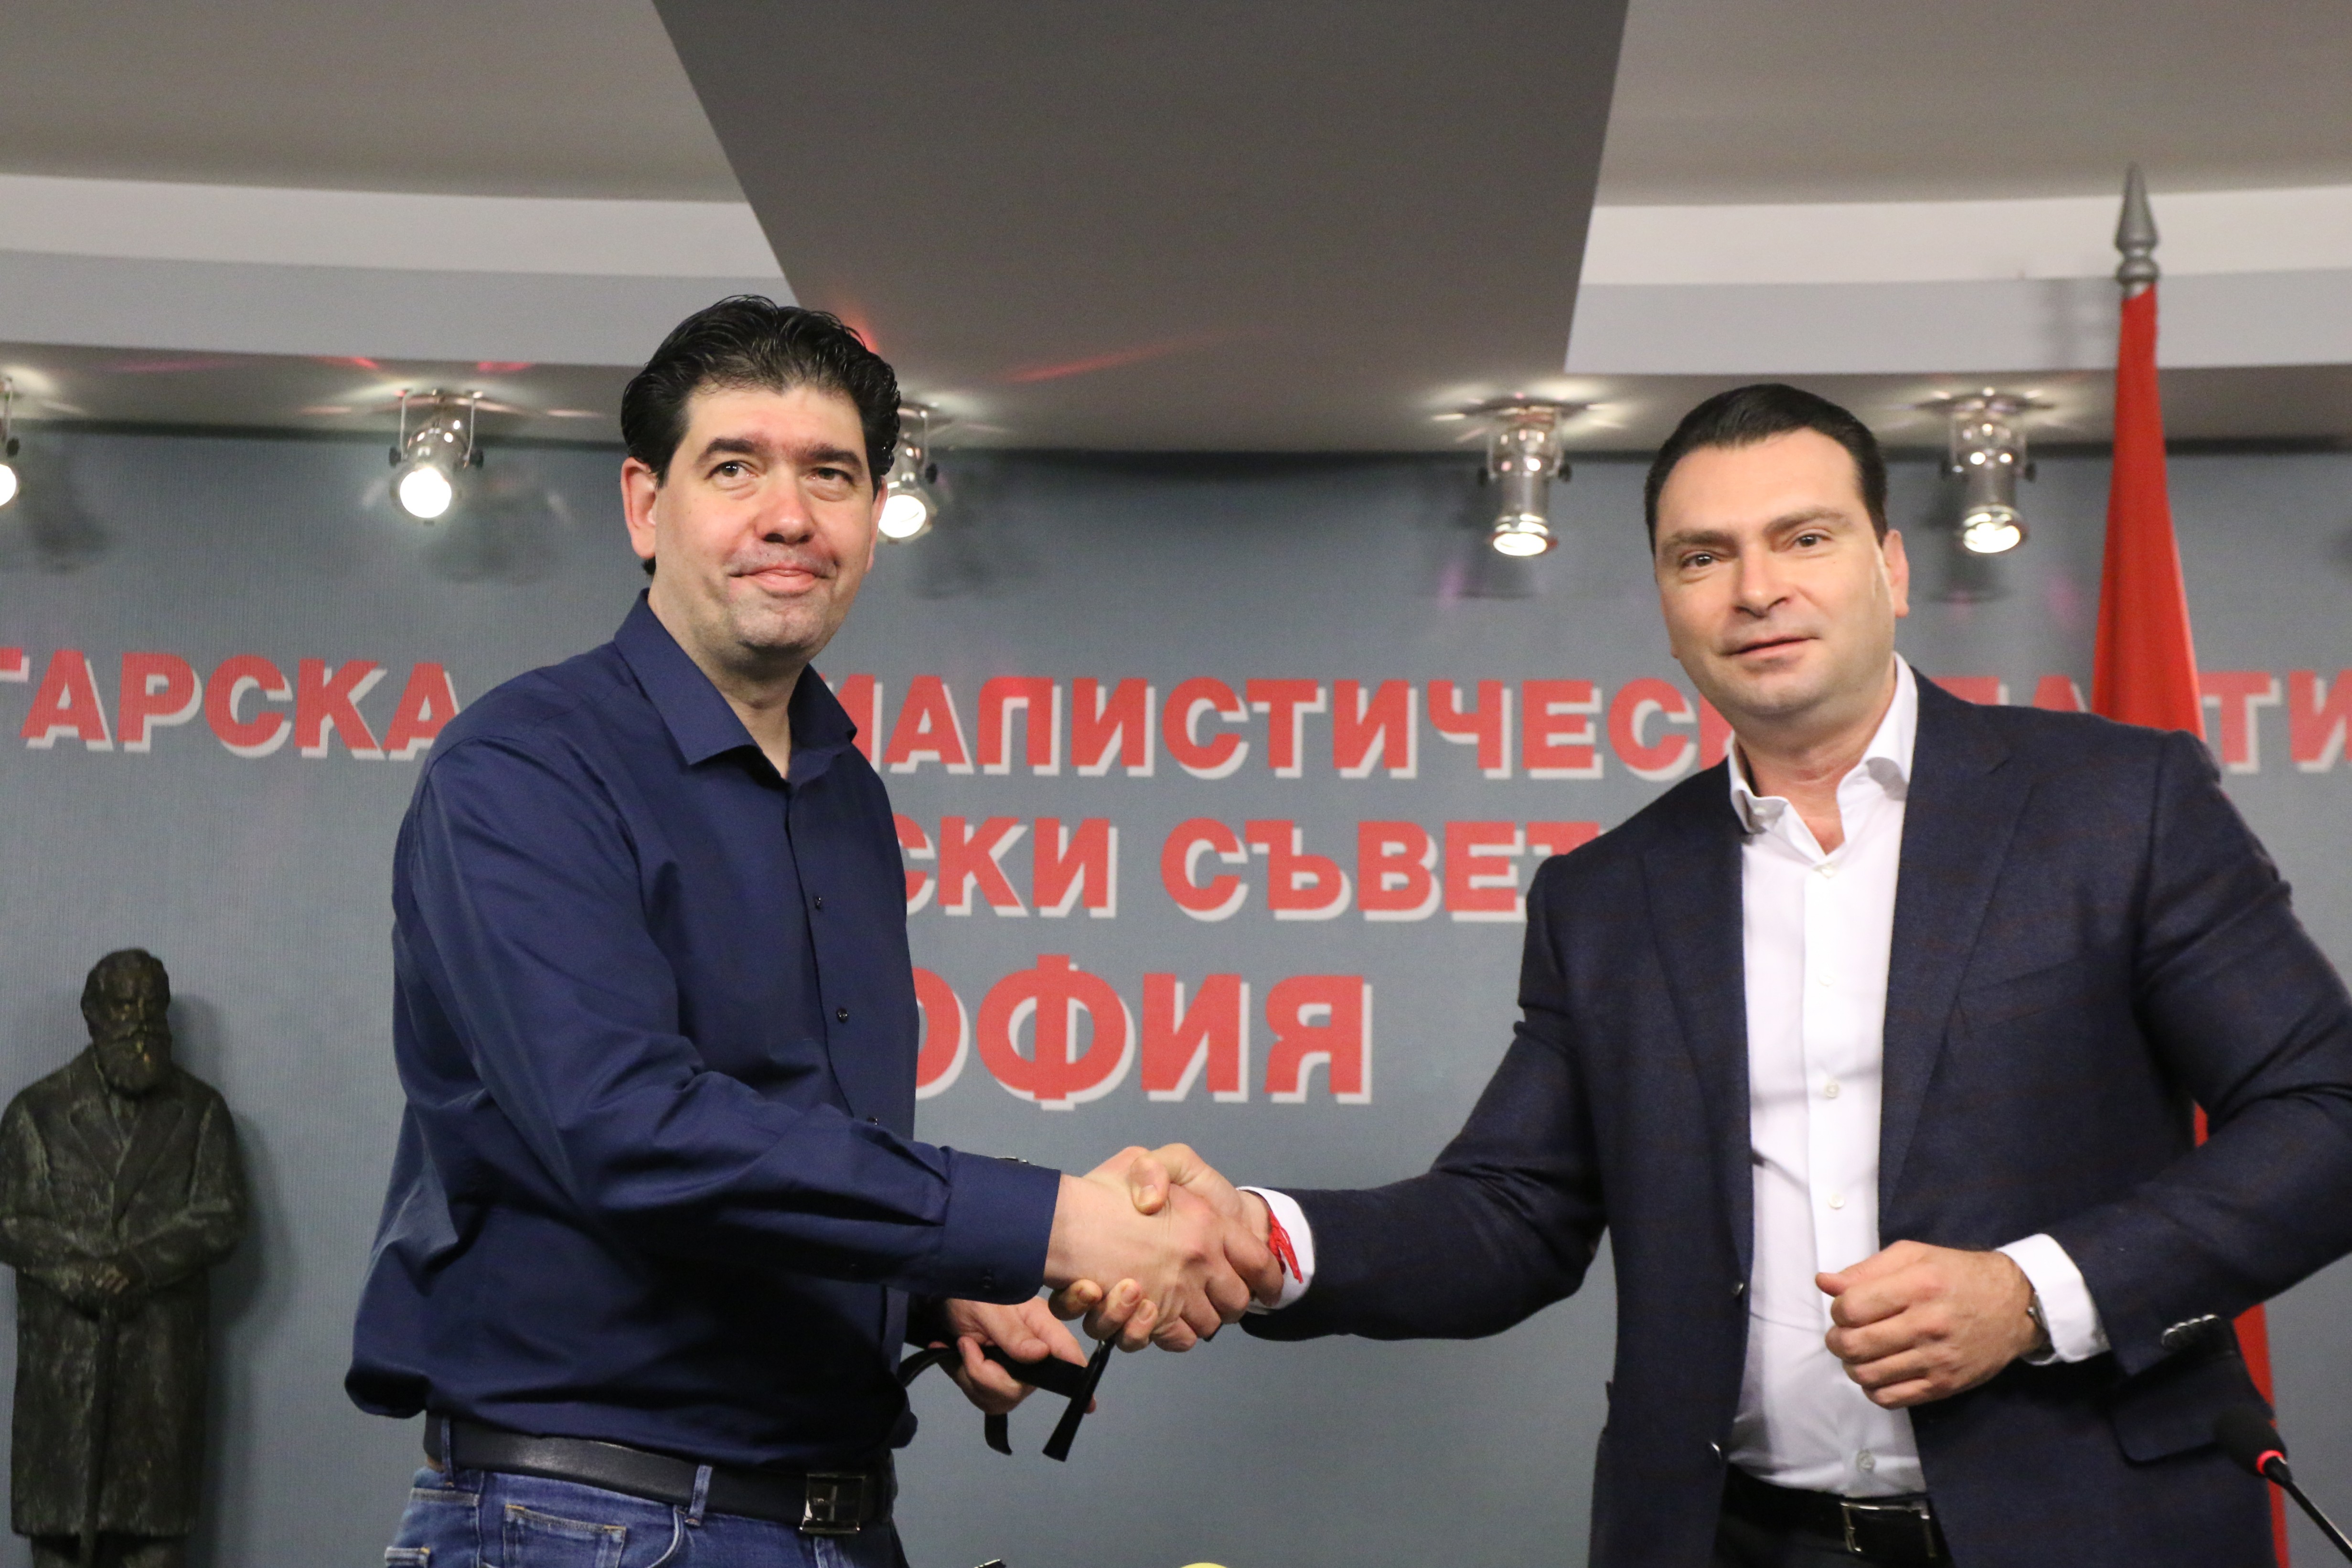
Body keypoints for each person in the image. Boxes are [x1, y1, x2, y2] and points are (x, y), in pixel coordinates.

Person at [1098, 384, 2352, 1566]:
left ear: (1890, 566)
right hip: (1734, 1540)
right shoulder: (1607, 896)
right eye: (1702, 556)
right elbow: (1510, 1214)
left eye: (1802, 537)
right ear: (1666, 598)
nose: (1756, 589)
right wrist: (1264, 1237)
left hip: (2092, 1529)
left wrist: (2032, 1292)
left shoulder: (2114, 802)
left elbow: (2325, 1111)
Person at [347, 296, 1273, 1568]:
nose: (788, 515)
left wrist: (935, 1288)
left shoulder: (843, 793)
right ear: (645, 505)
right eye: (735, 467)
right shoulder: (525, 764)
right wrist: (1052, 1221)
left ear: (870, 520)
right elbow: (631, 1129)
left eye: (830, 475)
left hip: (826, 1518)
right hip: (589, 1525)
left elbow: (789, 1141)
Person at [0, 949, 247, 1568]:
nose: (140, 1021)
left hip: (159, 1353)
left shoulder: (201, 1111)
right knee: (58, 1529)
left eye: (152, 1006)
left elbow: (220, 1214)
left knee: (155, 1530)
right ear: (93, 1015)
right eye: (124, 1006)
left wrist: (140, 1264)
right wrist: (77, 1273)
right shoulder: (37, 1112)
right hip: (66, 1353)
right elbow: (11, 1221)